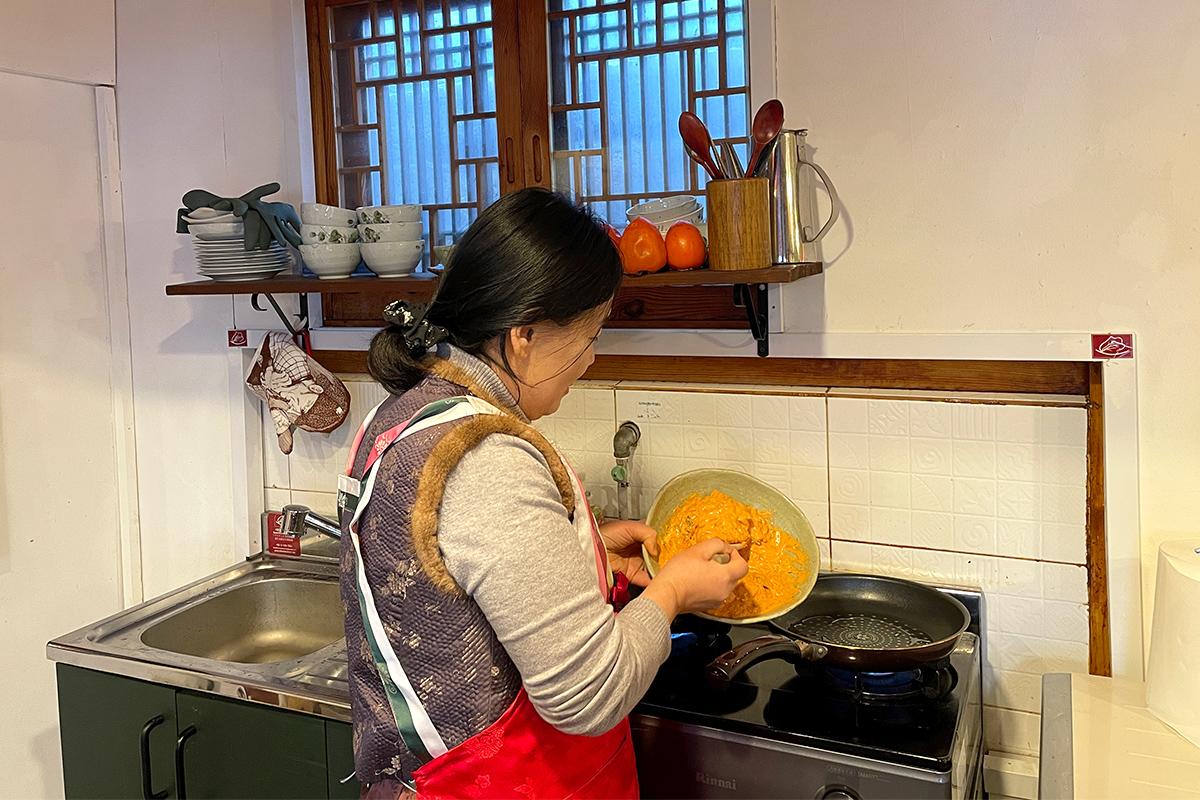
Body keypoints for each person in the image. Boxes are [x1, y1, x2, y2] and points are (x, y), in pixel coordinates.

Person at [338, 187, 748, 799]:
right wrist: (674, 590)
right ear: (524, 334)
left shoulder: (404, 412)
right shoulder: (485, 456)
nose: (591, 359)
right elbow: (589, 694)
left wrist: (579, 548)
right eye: (590, 334)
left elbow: (453, 570)